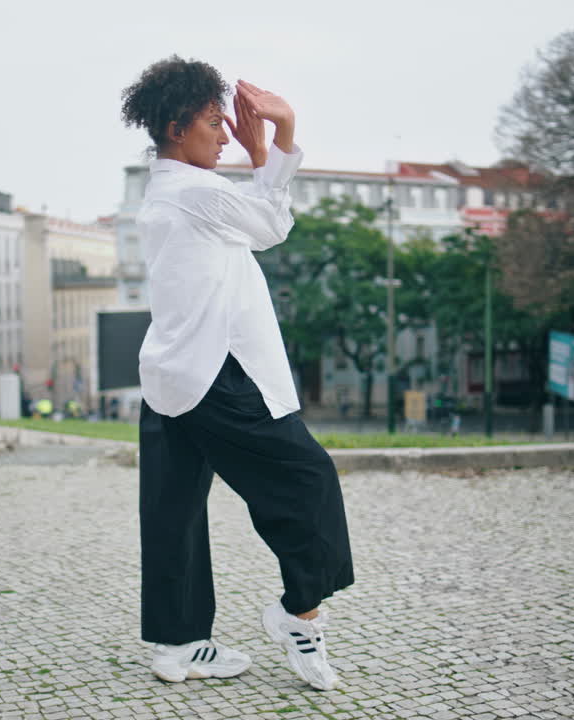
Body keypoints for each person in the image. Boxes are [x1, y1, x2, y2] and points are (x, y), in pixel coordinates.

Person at [120, 56, 353, 692]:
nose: (224, 133)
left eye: (228, 124)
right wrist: (274, 139)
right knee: (309, 480)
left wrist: (263, 153)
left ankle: (177, 645)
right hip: (217, 375)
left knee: (174, 510)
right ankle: (297, 613)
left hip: (170, 371)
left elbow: (251, 221)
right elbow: (273, 224)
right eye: (211, 122)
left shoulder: (168, 190)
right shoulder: (195, 193)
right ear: (175, 127)